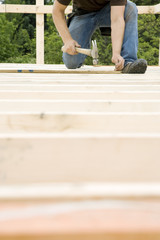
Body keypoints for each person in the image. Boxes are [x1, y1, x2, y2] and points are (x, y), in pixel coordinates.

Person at [52, 0, 147, 73]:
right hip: (82, 14)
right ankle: (84, 43)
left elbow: (117, 19)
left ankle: (127, 62)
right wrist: (67, 40)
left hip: (108, 11)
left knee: (130, 8)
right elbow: (57, 11)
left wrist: (116, 53)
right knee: (71, 62)